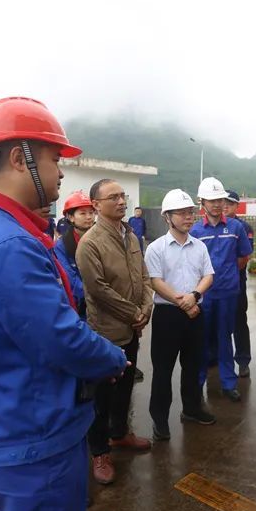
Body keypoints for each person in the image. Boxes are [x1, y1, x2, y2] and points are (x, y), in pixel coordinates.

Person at [0, 96, 127, 511]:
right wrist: (112, 357)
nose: (61, 173)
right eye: (53, 160)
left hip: (10, 417)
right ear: (16, 158)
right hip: (34, 431)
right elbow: (59, 338)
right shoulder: (7, 242)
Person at [76, 178, 154, 486]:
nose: (121, 201)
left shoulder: (130, 235)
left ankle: (120, 434)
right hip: (106, 333)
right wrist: (134, 313)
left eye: (123, 196)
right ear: (96, 205)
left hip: (132, 328)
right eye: (113, 197)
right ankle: (99, 451)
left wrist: (146, 309)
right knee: (101, 396)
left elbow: (144, 276)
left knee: (124, 389)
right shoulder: (91, 243)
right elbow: (98, 289)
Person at [145, 189, 216, 440]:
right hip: (168, 315)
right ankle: (160, 419)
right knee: (163, 370)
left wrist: (194, 297)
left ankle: (192, 408)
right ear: (167, 217)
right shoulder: (156, 248)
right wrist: (183, 302)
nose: (189, 217)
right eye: (182, 213)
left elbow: (208, 275)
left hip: (195, 313)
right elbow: (155, 281)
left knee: (193, 365)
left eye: (191, 213)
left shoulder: (199, 247)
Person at [190, 177, 252, 402]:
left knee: (225, 337)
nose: (217, 204)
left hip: (228, 293)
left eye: (220, 200)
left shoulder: (235, 227)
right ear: (202, 203)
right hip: (204, 295)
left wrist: (228, 276)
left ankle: (228, 383)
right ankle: (197, 382)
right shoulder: (195, 231)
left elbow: (244, 255)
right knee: (202, 339)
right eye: (212, 200)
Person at [224, 190, 254, 378]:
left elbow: (244, 257)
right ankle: (215, 358)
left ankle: (243, 361)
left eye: (230, 203)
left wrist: (223, 272)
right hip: (213, 285)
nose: (225, 206)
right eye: (222, 201)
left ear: (237, 206)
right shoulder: (210, 226)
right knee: (216, 324)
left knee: (239, 323)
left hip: (236, 284)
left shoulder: (243, 227)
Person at [53, 191, 94, 317]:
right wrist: (96, 296)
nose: (89, 217)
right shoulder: (62, 245)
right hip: (82, 306)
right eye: (83, 213)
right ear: (71, 217)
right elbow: (70, 279)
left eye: (91, 213)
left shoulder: (104, 238)